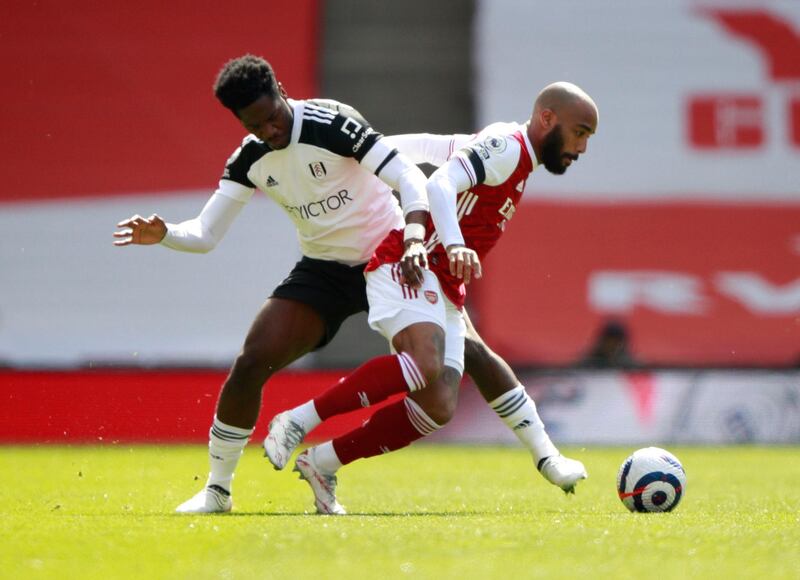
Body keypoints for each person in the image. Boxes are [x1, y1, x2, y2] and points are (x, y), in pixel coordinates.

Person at [113, 54, 583, 513]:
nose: (270, 132)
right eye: (255, 126)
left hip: (394, 252)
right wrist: (167, 235)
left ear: (281, 92)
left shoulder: (332, 122)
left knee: (450, 383)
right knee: (253, 358)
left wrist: (416, 235)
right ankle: (217, 490)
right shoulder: (250, 159)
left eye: (273, 118)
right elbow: (206, 234)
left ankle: (540, 456)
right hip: (325, 269)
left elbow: (405, 172)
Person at [266, 82, 599, 514]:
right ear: (548, 119)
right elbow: (441, 183)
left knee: (438, 406)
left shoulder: (510, 151)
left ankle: (322, 461)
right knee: (427, 364)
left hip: (439, 281)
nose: (583, 147)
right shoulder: (508, 149)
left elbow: (430, 146)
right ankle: (298, 419)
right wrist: (456, 243)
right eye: (580, 132)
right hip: (409, 262)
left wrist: (369, 152)